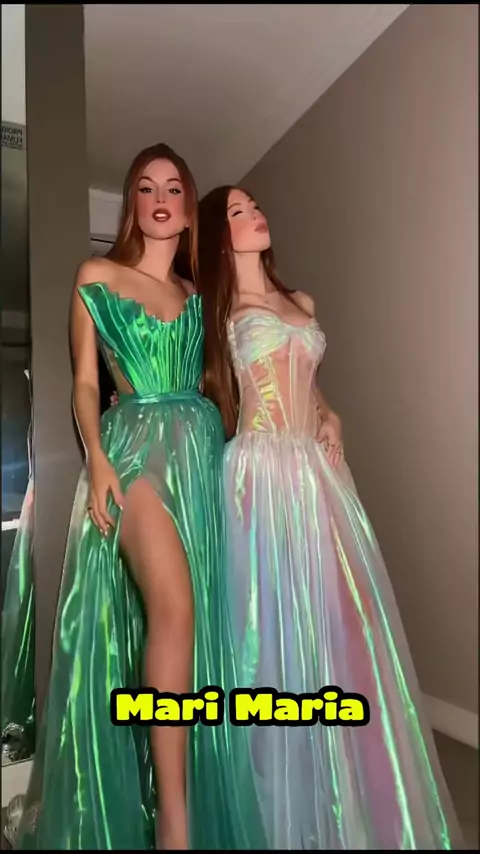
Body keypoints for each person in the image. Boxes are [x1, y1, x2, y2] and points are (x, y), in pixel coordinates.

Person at [197, 185, 464, 850]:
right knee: (273, 637)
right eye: (237, 212)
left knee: (351, 622)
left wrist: (331, 416)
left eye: (254, 205)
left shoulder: (302, 302)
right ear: (221, 238)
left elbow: (313, 389)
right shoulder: (217, 312)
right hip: (259, 475)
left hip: (315, 474)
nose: (254, 215)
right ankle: (285, 811)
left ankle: (360, 793)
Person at [15, 146, 262, 852]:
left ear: (186, 212)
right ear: (132, 204)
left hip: (198, 454)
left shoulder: (198, 295)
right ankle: (174, 824)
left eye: (173, 188)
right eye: (146, 187)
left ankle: (172, 799)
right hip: (133, 451)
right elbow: (85, 383)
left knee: (192, 624)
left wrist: (323, 414)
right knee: (175, 607)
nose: (159, 198)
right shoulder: (97, 275)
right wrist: (95, 458)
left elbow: (263, 358)